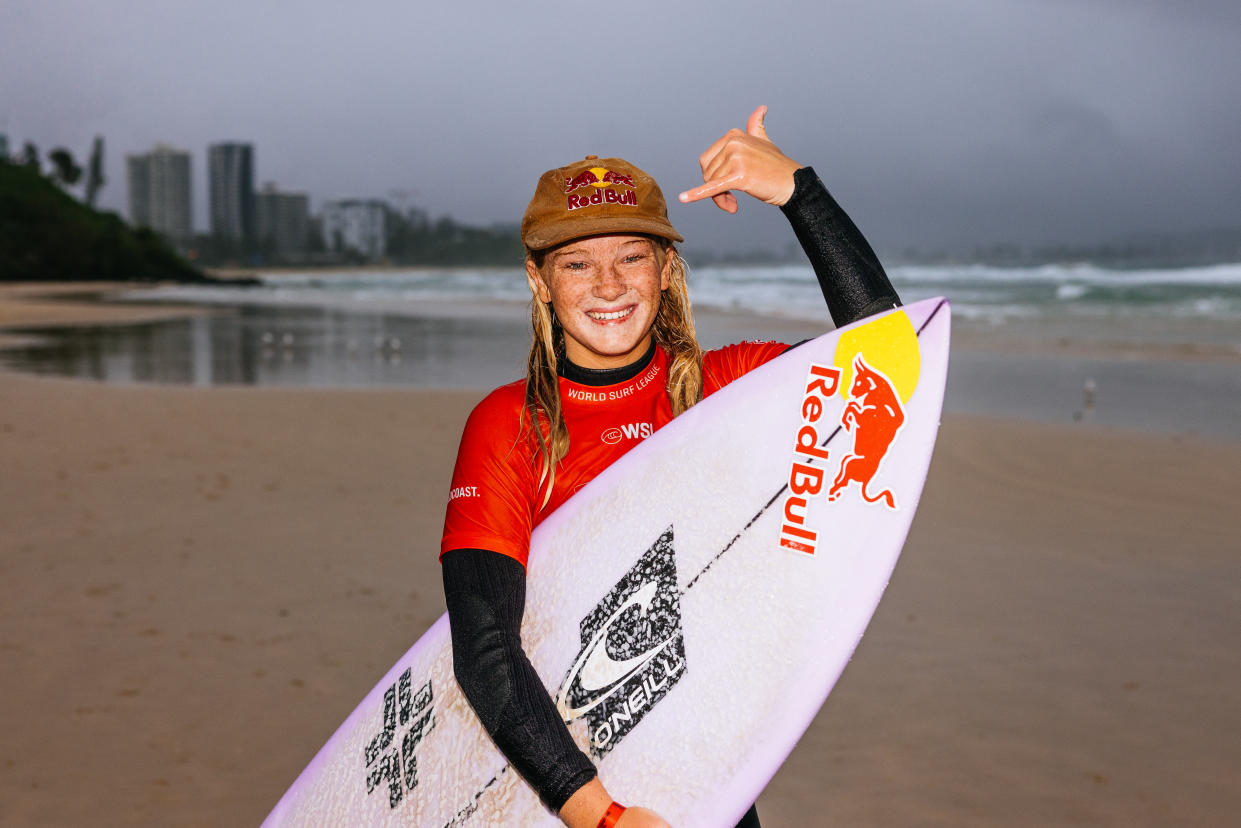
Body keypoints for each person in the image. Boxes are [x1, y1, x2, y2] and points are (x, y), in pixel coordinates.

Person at [440, 106, 901, 828]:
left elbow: (888, 368)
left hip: (706, 773)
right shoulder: (508, 427)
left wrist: (798, 194)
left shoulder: (732, 388)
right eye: (575, 262)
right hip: (566, 786)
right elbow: (485, 648)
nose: (608, 284)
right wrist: (602, 815)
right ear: (539, 282)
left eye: (631, 255)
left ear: (665, 268)